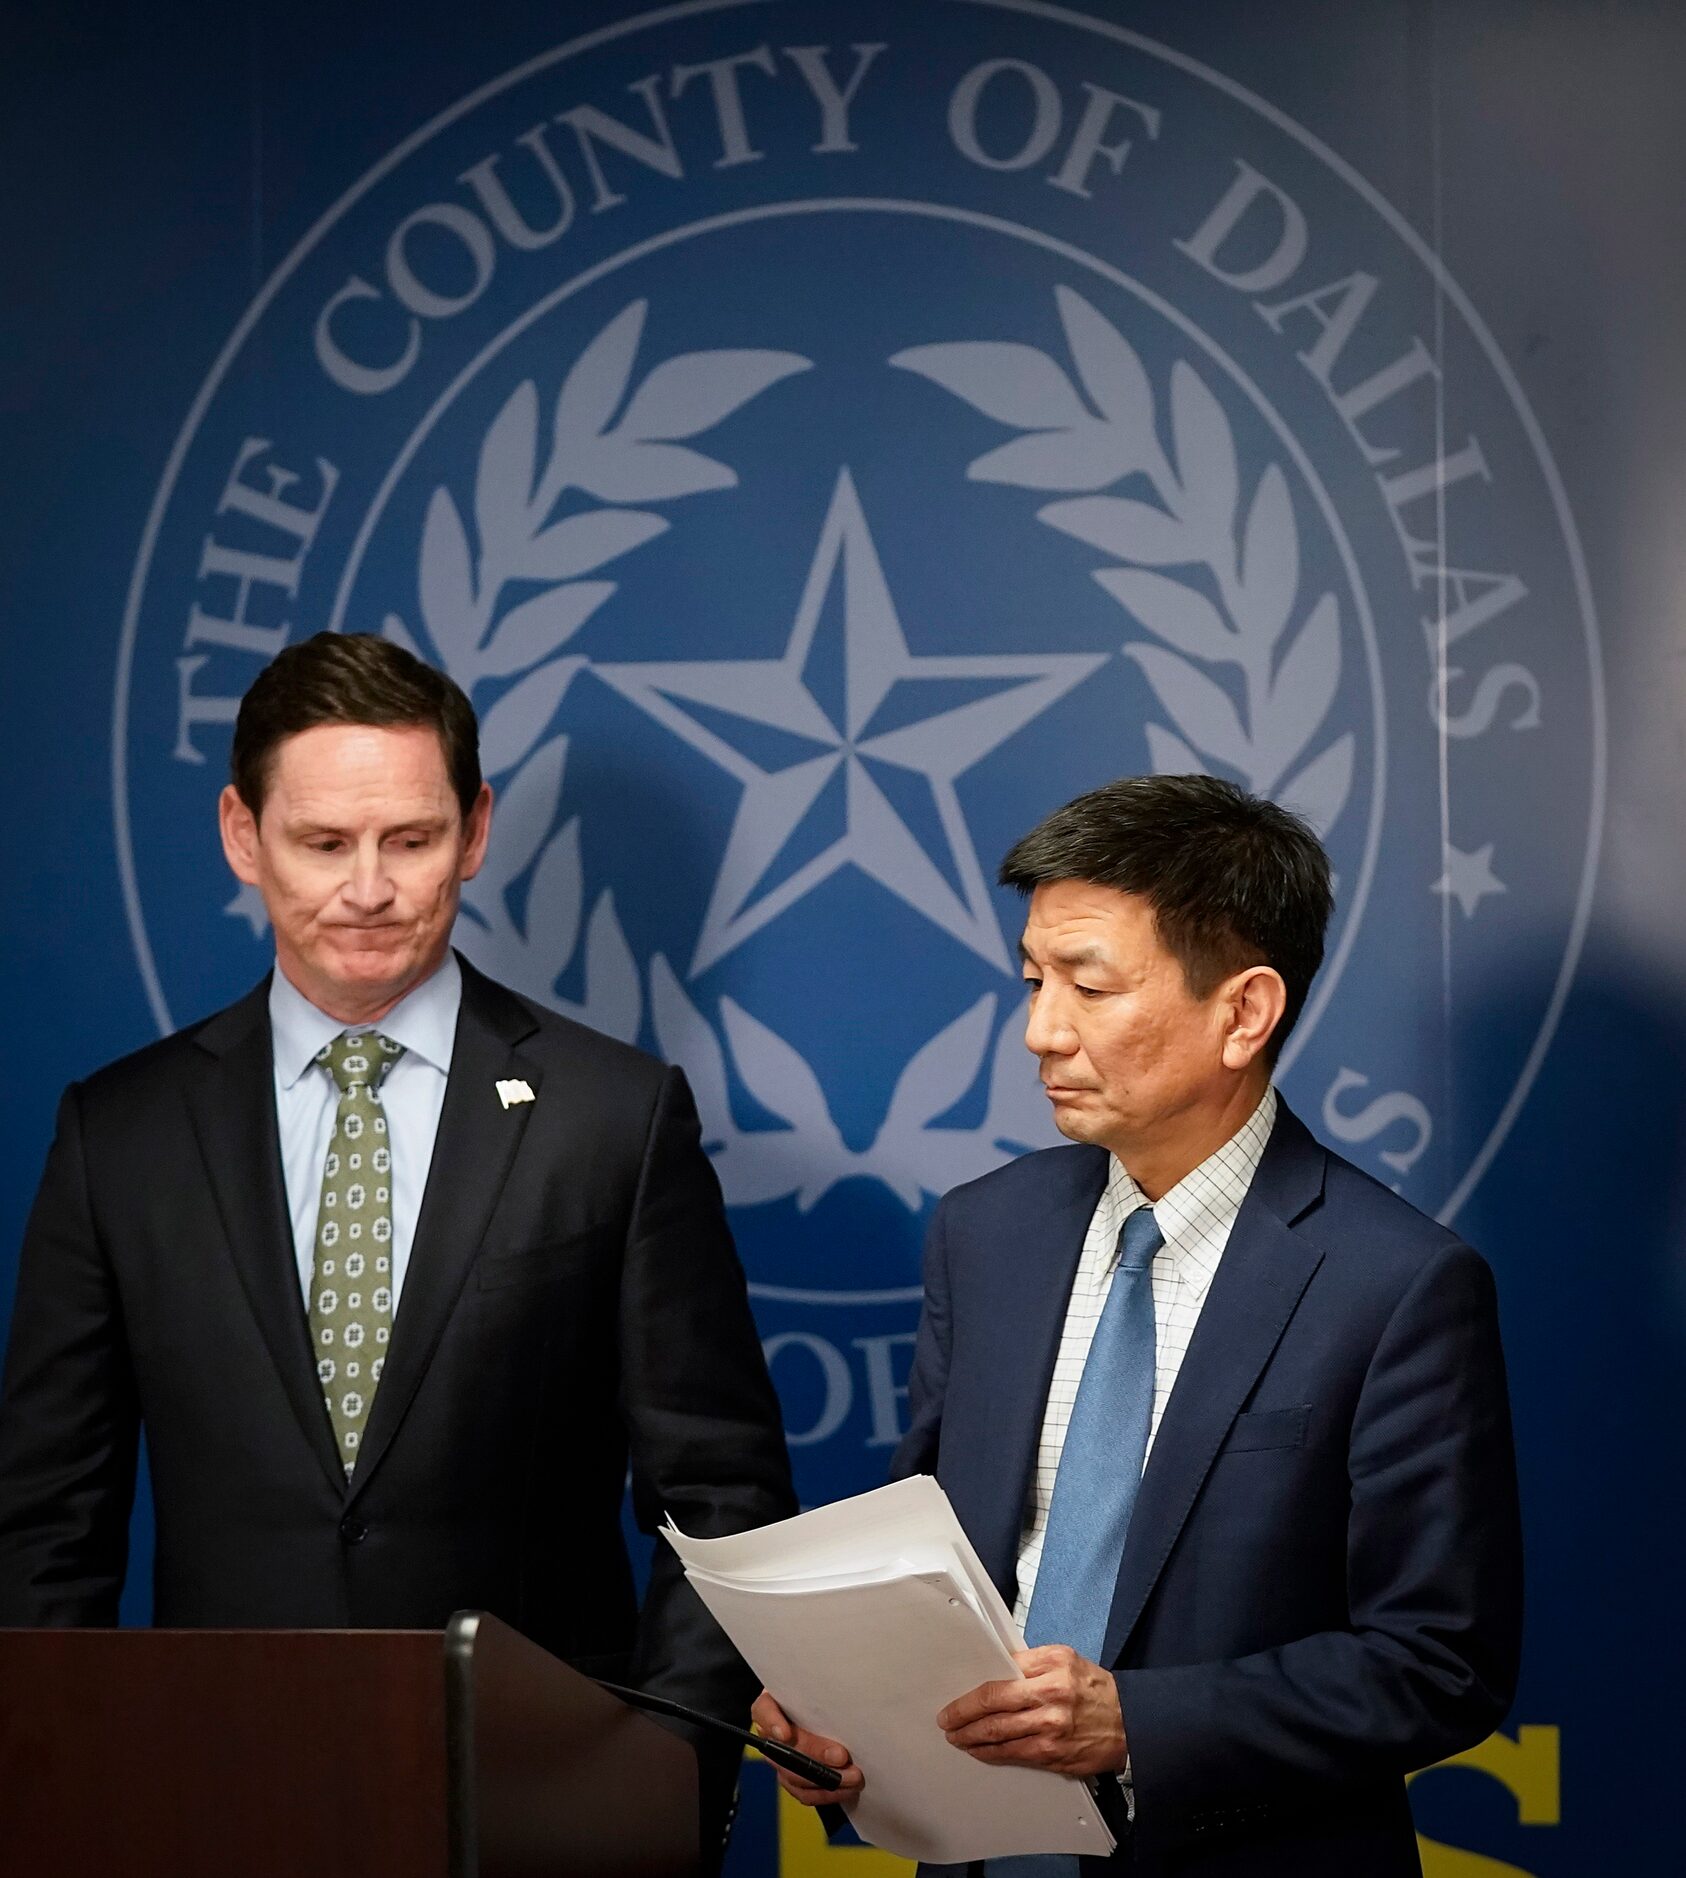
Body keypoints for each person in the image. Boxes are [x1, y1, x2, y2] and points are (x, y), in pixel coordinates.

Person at [0, 630, 796, 1861]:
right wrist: (62, 1796)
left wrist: (657, 1784)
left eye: (410, 840)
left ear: (473, 832)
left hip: (544, 1812)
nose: (367, 887)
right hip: (206, 1799)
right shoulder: (121, 1132)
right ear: (239, 833)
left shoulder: (615, 1117)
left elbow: (726, 1508)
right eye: (322, 843)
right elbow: (51, 1522)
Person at [755, 775, 1522, 1877]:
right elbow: (931, 1563)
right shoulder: (987, 1236)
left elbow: (1441, 1664)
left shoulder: (1397, 1285)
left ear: (1244, 1013)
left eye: (1088, 986)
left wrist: (1139, 1724)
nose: (1040, 1032)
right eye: (1031, 979)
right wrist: (844, 1711)